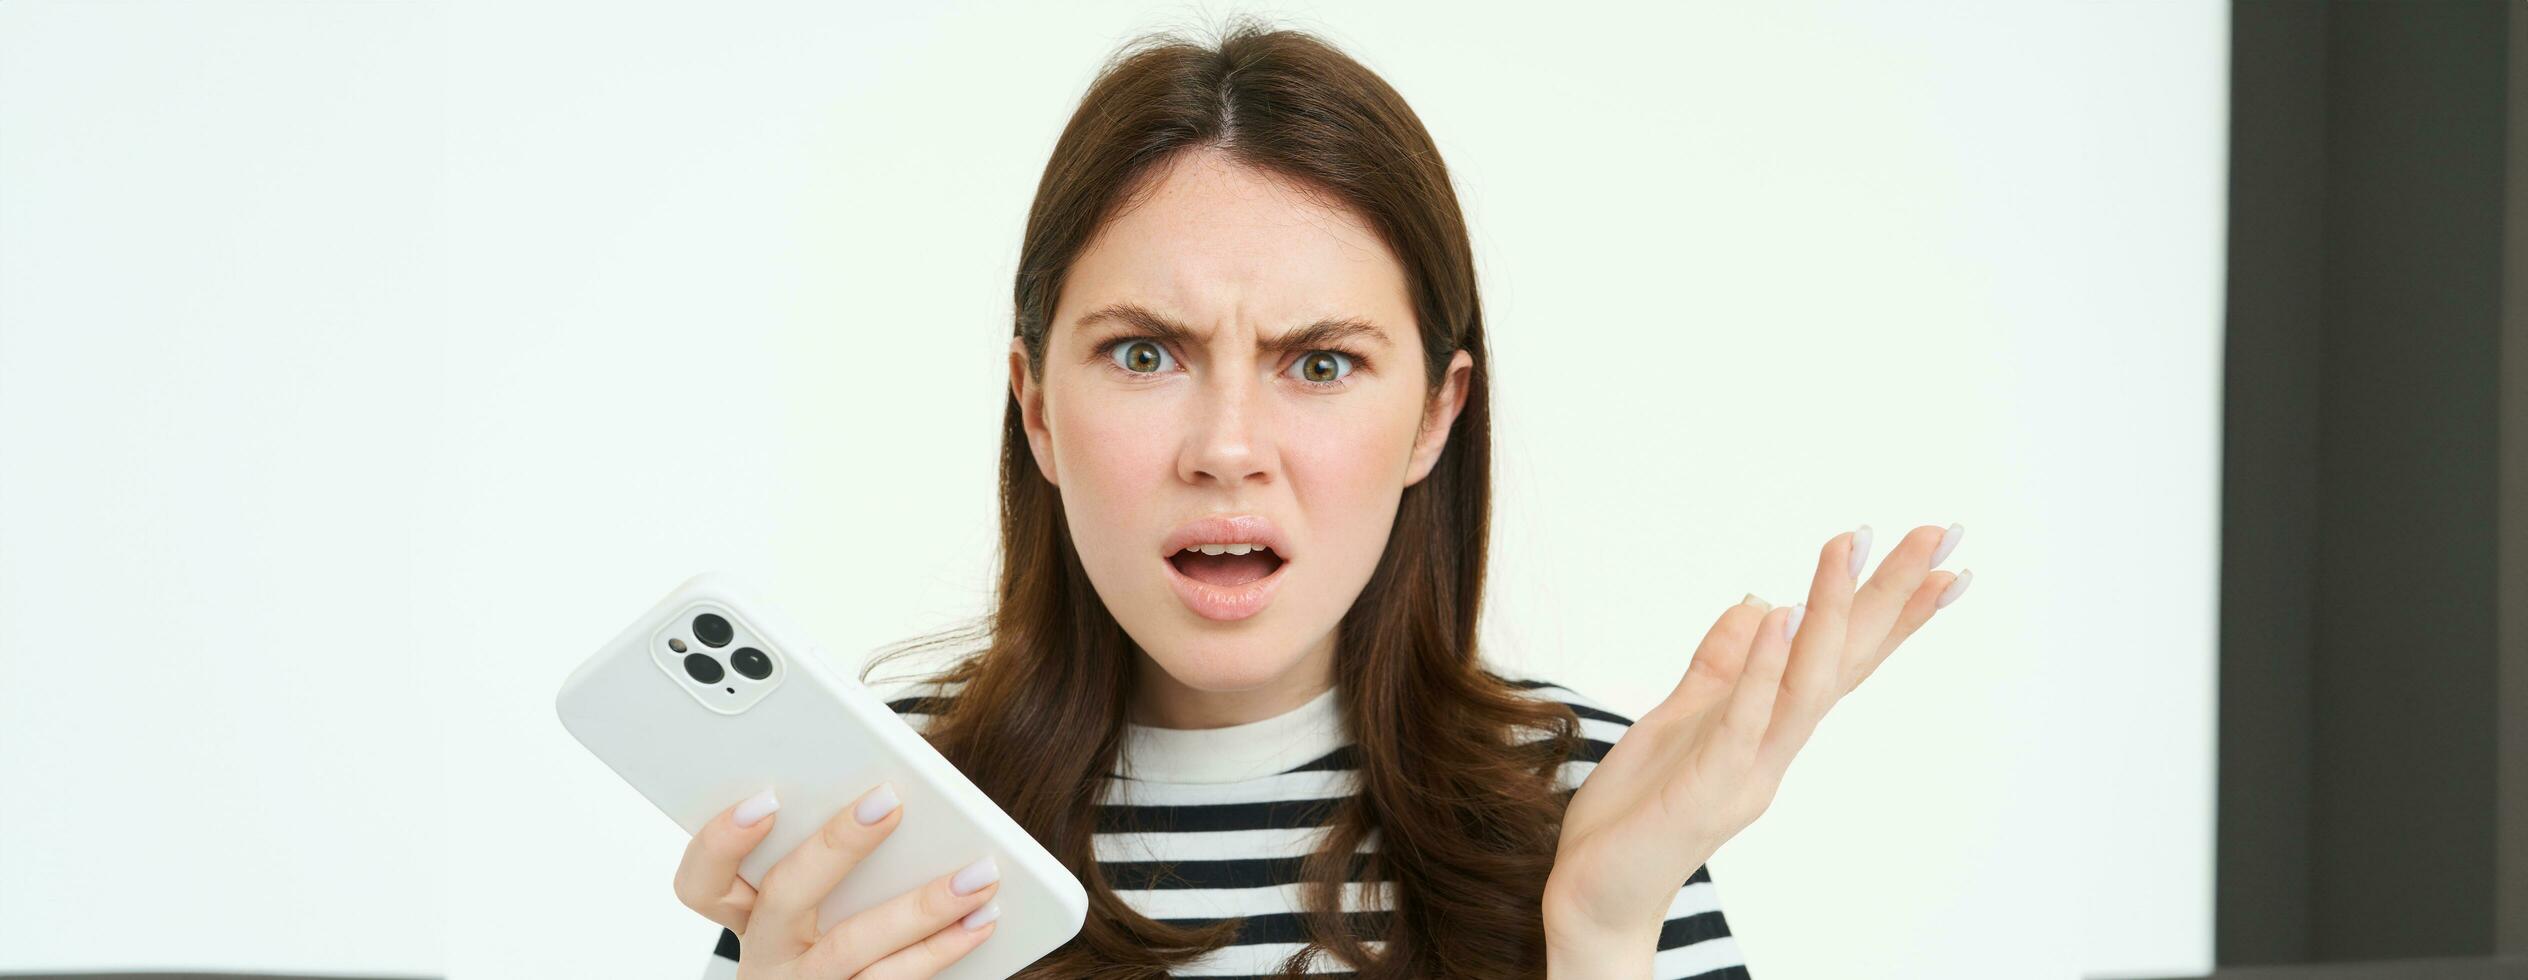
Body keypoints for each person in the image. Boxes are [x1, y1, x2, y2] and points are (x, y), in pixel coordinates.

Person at [671, 17, 1971, 980]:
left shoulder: (1592, 802)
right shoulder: (881, 812)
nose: (1228, 447)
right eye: (1145, 352)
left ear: (1435, 415)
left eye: (1322, 362)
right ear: (1034, 404)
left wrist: (1602, 929)